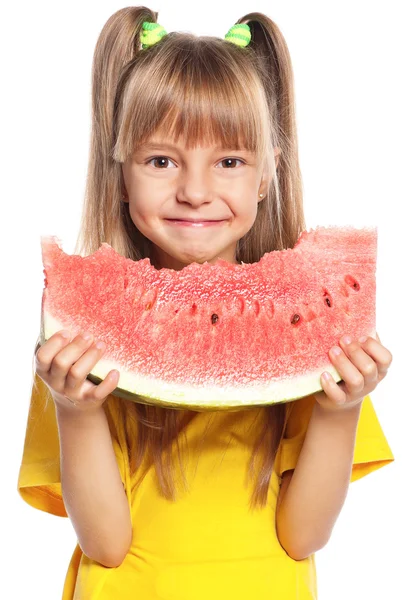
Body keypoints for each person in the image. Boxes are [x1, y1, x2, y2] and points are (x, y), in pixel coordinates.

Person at [17, 7, 394, 600]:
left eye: (229, 161)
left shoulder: (310, 331)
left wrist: (339, 411)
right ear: (120, 174)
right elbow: (106, 544)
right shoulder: (75, 347)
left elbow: (304, 535)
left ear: (267, 175)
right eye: (161, 160)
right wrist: (76, 410)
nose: (194, 191)